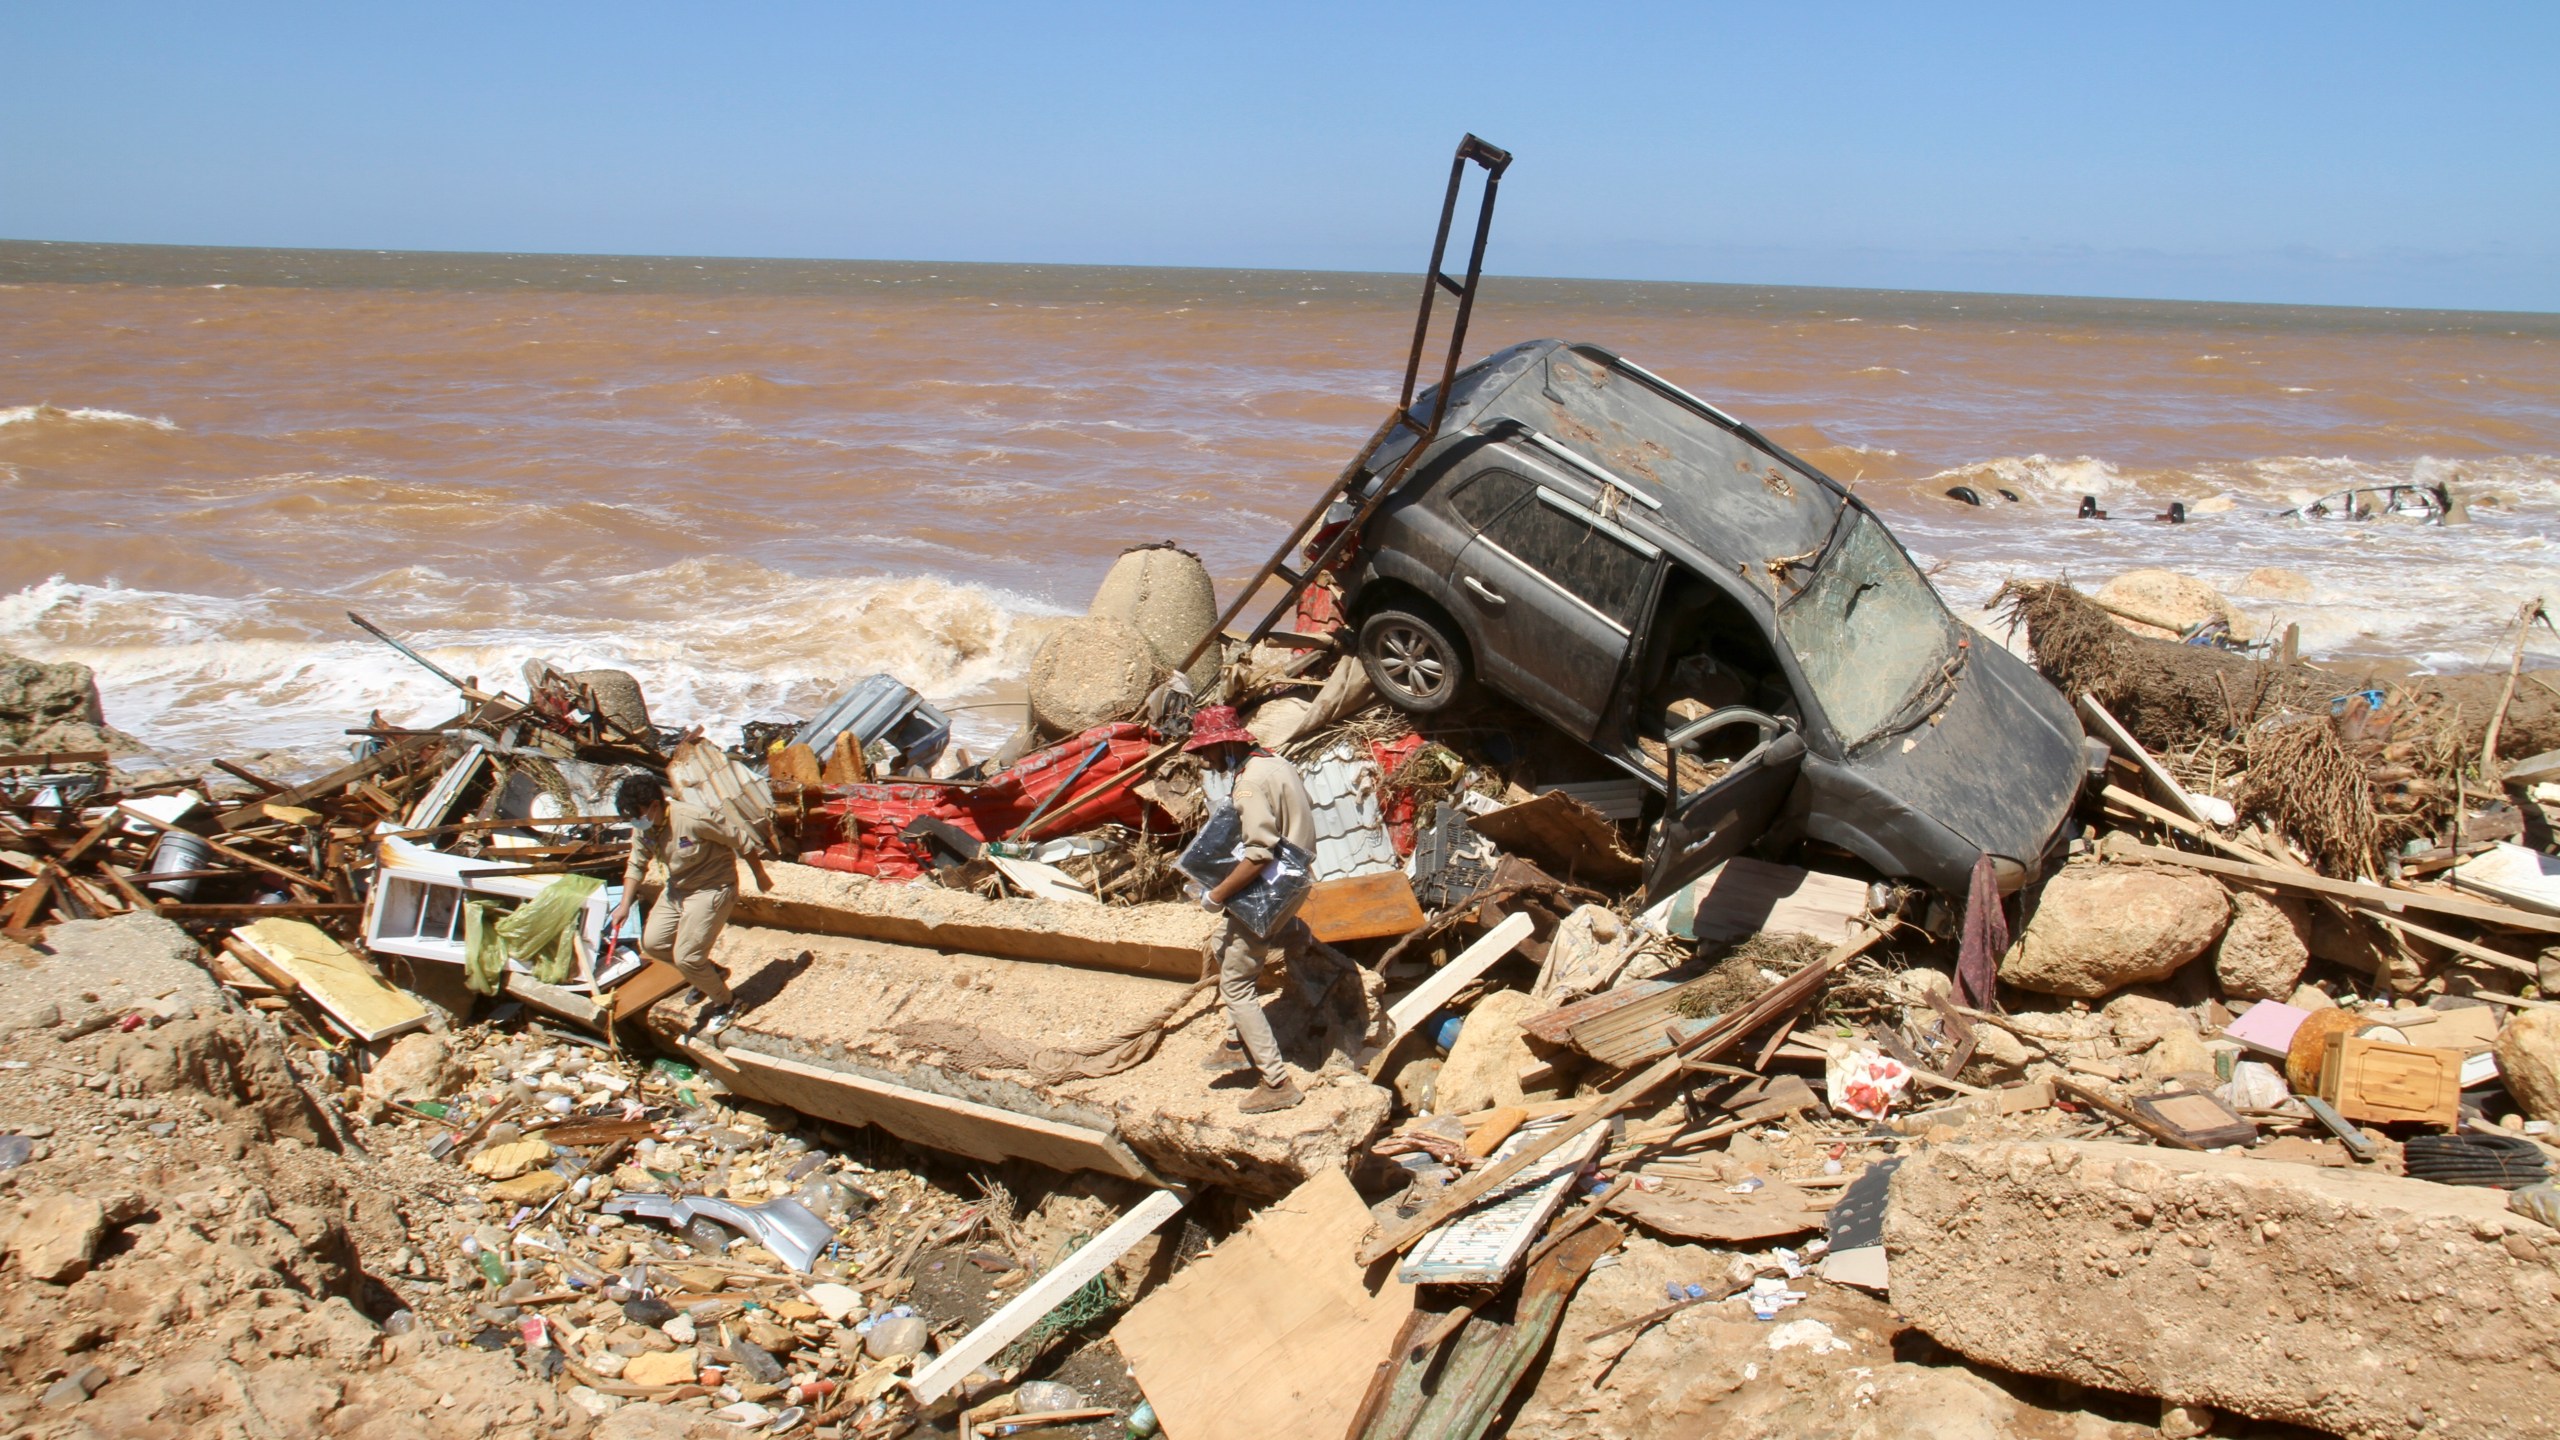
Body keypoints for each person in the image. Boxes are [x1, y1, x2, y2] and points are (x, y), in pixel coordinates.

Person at [1186, 704, 1317, 1114]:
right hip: (1295, 877)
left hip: (1270, 890)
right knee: (1225, 944)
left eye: (1206, 752)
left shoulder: (1247, 785)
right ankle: (1234, 1042)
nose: (1204, 761)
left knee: (1237, 987)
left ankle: (1276, 1082)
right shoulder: (1272, 762)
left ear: (1225, 745)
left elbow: (1259, 854)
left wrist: (1216, 895)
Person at [606, 773, 742, 1036]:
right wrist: (624, 905)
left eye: (638, 813)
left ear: (654, 806)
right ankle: (710, 973)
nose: (635, 819)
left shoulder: (691, 819)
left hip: (711, 888)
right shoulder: (645, 828)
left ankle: (727, 1002)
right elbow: (636, 863)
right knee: (653, 944)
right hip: (678, 888)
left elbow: (738, 838)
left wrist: (760, 875)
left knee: (687, 956)